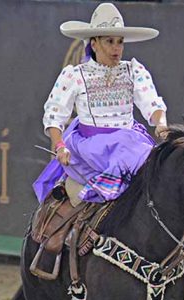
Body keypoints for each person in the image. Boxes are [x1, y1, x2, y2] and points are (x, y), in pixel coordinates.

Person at [33, 3, 168, 204]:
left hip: (129, 142)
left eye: (120, 42)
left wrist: (161, 124)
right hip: (91, 149)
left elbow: (151, 101)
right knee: (127, 153)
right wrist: (60, 146)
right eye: (110, 41)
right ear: (94, 44)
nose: (117, 48)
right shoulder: (75, 75)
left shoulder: (133, 71)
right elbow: (54, 113)